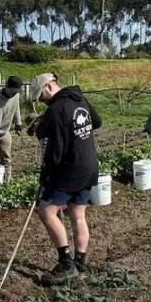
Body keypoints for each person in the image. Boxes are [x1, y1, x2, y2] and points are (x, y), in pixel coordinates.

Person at [28, 72, 101, 284]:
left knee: (46, 210)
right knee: (77, 214)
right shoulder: (80, 99)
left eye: (41, 96)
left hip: (70, 169)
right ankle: (80, 262)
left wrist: (46, 175)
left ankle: (66, 262)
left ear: (48, 86)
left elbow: (55, 151)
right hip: (89, 165)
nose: (41, 101)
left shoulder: (56, 109)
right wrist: (77, 132)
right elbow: (96, 121)